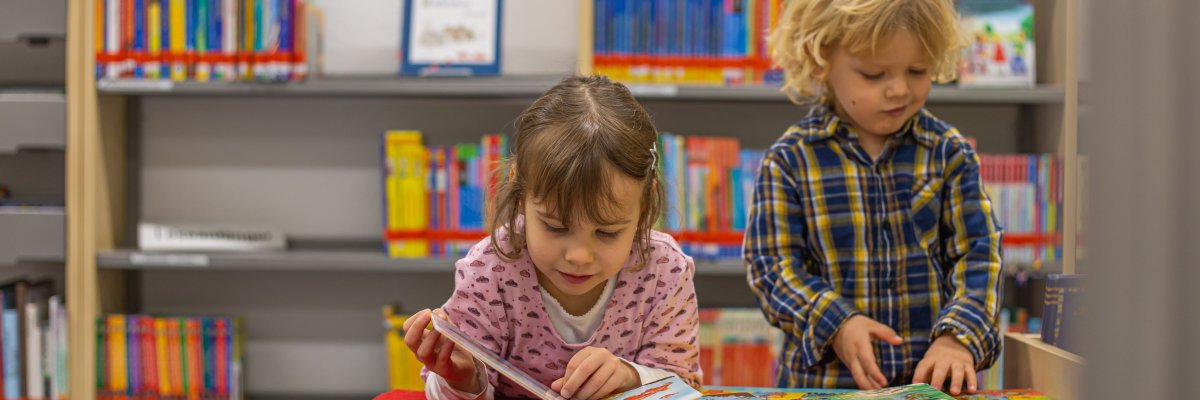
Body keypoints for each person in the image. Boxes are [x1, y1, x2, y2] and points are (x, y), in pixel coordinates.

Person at [744, 0, 1003, 395]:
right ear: (820, 59)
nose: (900, 89)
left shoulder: (948, 152)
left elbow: (979, 253)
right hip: (823, 387)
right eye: (874, 74)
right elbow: (771, 266)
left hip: (932, 388)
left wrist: (958, 337)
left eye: (918, 70)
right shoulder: (789, 160)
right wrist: (837, 323)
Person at [404, 75, 702, 400]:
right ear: (520, 193)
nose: (579, 255)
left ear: (645, 203)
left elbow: (685, 384)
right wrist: (462, 379)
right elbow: (452, 389)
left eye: (607, 232)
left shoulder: (664, 269)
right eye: (556, 227)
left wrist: (630, 377)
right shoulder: (490, 269)